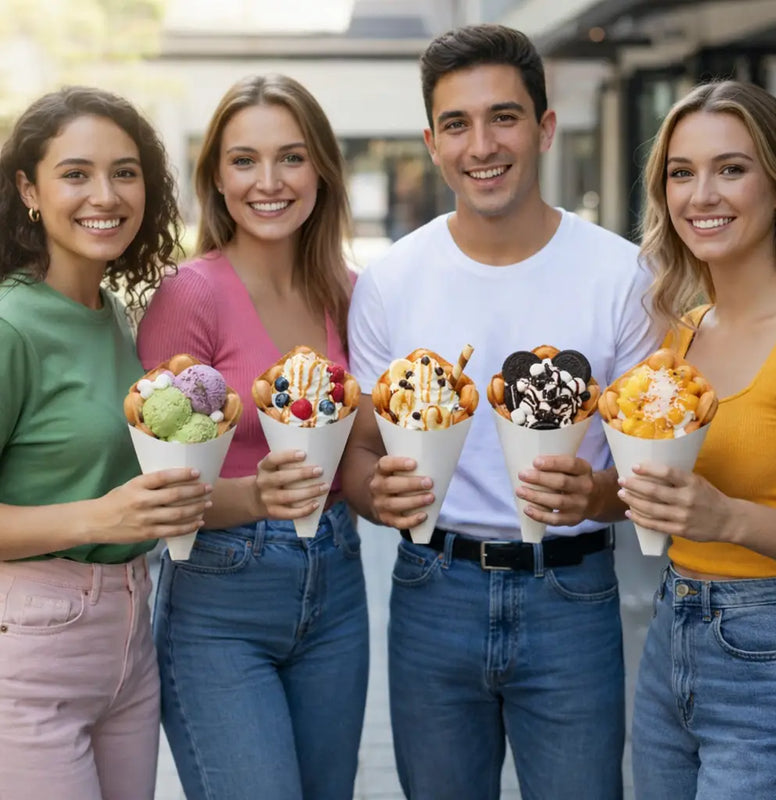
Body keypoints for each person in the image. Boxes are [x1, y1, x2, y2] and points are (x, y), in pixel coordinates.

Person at [342, 23, 662, 800]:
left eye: (504, 117)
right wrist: (373, 496)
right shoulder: (390, 282)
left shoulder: (623, 275)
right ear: (432, 143)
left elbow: (654, 468)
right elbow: (359, 453)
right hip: (433, 589)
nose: (482, 145)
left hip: (572, 594)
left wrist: (597, 493)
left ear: (545, 128)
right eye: (457, 124)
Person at [137, 74, 368, 800]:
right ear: (216, 177)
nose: (269, 182)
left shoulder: (349, 291)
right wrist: (255, 497)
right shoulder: (190, 294)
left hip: (338, 587)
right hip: (221, 599)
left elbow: (363, 448)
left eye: (291, 157)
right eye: (244, 160)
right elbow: (156, 487)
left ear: (322, 170)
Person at [0, 87, 211, 800]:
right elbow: (107, 508)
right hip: (30, 649)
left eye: (125, 172)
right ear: (29, 190)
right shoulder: (10, 325)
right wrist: (102, 518)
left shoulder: (114, 312)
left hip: (128, 642)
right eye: (76, 173)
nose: (106, 195)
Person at [623, 80, 776, 799]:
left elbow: (716, 513)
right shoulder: (683, 335)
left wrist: (727, 518)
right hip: (673, 631)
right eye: (681, 172)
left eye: (731, 168)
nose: (702, 195)